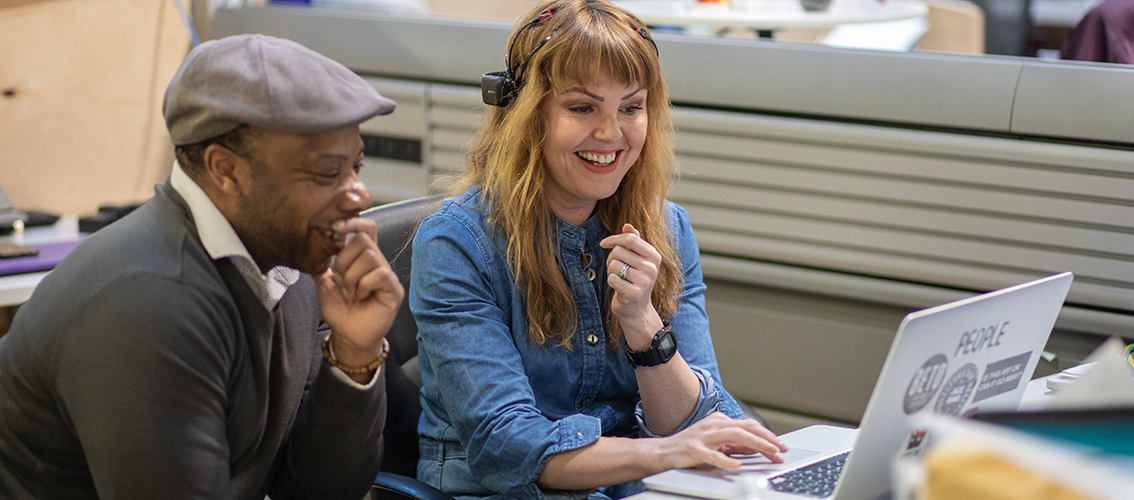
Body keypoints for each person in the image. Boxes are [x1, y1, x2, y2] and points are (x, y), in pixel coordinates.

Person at [409, 1, 788, 498]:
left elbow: (698, 422)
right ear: (527, 115)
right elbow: (508, 445)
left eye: (631, 107)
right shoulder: (456, 243)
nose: (611, 133)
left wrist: (642, 323)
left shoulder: (666, 228)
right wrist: (663, 454)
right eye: (583, 107)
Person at [0, 34, 403, 499]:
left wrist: (353, 353)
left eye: (357, 167)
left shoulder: (286, 266)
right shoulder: (147, 301)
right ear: (225, 170)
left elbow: (314, 490)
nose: (360, 195)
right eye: (328, 173)